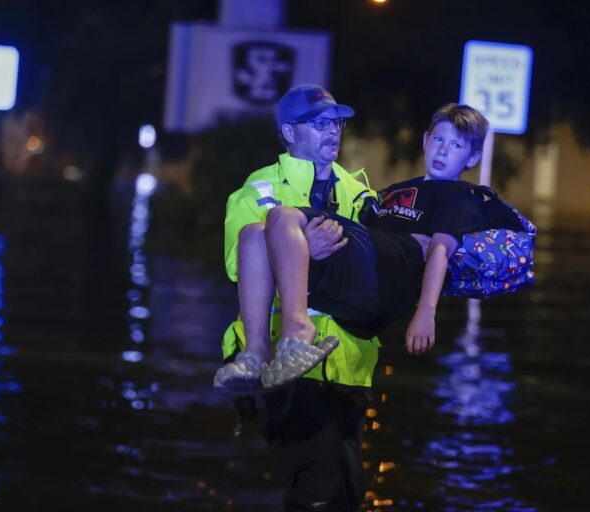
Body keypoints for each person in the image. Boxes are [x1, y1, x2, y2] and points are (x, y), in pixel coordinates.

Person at [216, 103, 524, 392]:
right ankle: (254, 355)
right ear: (426, 140)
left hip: (383, 280)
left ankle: (297, 332)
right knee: (255, 233)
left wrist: (426, 313)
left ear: (472, 159)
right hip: (359, 275)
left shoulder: (460, 196)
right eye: (439, 140)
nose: (443, 150)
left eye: (456, 146)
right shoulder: (390, 193)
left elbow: (439, 252)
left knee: (281, 216)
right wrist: (308, 247)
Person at [220, 84, 380, 512]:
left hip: (349, 365)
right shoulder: (259, 189)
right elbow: (240, 263)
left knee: (348, 486)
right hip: (285, 363)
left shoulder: (360, 194)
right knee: (319, 483)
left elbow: (375, 271)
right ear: (289, 133)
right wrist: (306, 249)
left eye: (336, 122)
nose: (333, 131)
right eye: (319, 124)